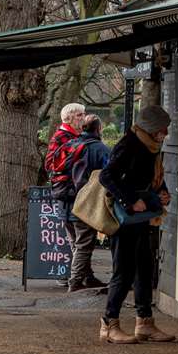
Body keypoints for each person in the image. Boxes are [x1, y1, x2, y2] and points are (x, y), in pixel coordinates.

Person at [98, 106, 176, 344]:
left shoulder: (151, 147)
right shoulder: (129, 145)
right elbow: (106, 176)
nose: (165, 133)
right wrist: (131, 200)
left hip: (141, 219)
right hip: (125, 220)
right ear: (151, 128)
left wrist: (161, 193)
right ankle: (109, 324)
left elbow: (151, 178)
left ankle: (145, 322)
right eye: (162, 129)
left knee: (144, 267)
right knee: (124, 270)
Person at [65, 114, 110, 292]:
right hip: (86, 202)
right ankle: (75, 282)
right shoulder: (100, 149)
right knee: (84, 244)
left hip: (65, 201)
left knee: (75, 242)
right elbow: (110, 174)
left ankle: (87, 277)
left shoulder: (69, 145)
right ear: (98, 129)